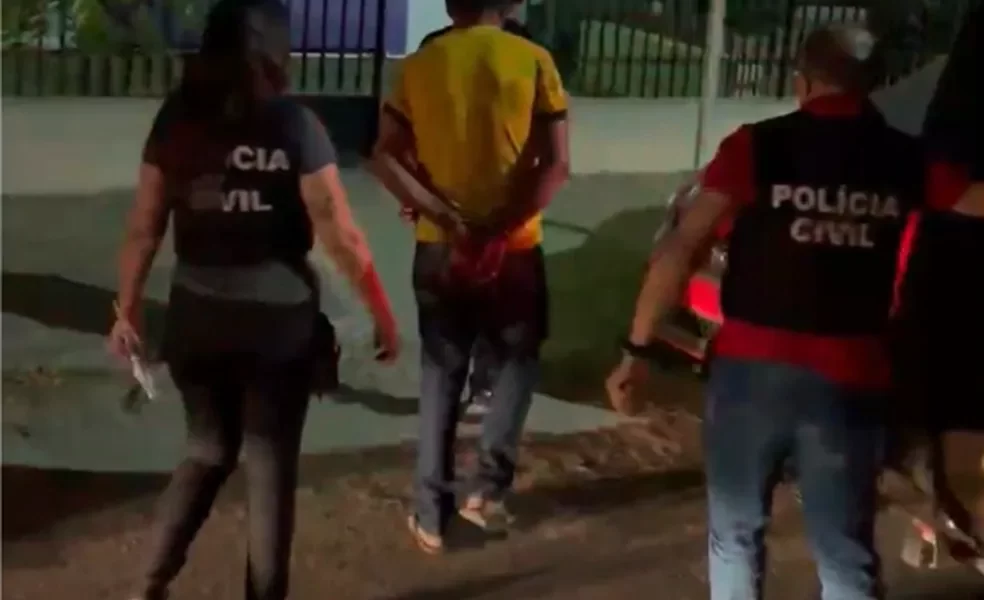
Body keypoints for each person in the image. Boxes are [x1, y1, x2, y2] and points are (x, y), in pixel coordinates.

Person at [605, 25, 984, 600]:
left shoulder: (757, 145)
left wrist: (637, 348)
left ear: (802, 82)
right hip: (849, 385)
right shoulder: (907, 159)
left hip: (749, 379)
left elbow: (682, 247)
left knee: (735, 537)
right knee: (844, 553)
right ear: (873, 84)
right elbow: (975, 202)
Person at [107, 1, 399, 598]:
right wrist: (381, 313)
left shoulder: (176, 118)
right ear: (275, 52)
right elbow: (339, 230)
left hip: (196, 314)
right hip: (279, 326)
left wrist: (127, 308)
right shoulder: (294, 124)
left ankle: (148, 585)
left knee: (207, 449)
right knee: (269, 465)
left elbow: (144, 225)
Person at [370, 0, 570, 554]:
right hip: (516, 249)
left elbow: (386, 156)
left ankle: (430, 515)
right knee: (516, 363)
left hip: (441, 248)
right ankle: (486, 491)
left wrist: (441, 215)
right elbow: (556, 165)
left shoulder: (417, 67)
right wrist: (501, 226)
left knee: (442, 373)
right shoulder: (535, 61)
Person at [403, 0, 535, 418]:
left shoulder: (434, 50)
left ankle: (465, 387)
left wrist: (415, 194)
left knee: (463, 301)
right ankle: (475, 387)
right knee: (474, 300)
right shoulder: (524, 51)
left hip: (464, 209)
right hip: (488, 210)